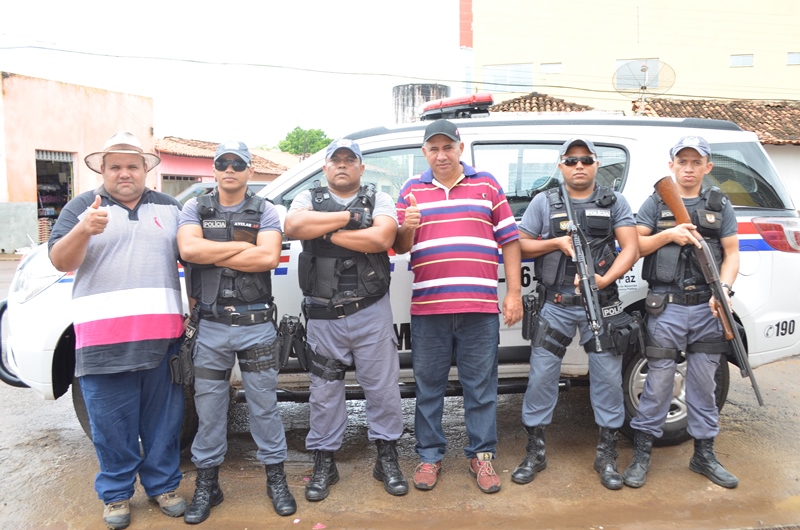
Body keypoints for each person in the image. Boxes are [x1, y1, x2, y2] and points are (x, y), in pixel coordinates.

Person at [48, 131, 187, 530]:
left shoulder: (170, 207)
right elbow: (61, 261)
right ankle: (116, 494)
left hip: (163, 338)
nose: (124, 173)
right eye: (115, 167)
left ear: (146, 170)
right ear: (103, 170)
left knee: (164, 420)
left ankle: (163, 485)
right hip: (102, 340)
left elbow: (190, 258)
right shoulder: (82, 207)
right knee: (111, 424)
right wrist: (83, 229)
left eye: (132, 166)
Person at [394, 119, 523, 494]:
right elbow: (400, 246)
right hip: (429, 310)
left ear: (460, 149)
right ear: (424, 153)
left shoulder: (487, 184)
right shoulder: (411, 190)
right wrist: (408, 226)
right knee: (428, 388)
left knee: (480, 388)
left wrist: (513, 293)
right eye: (433, 148)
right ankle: (430, 456)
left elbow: (510, 240)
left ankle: (482, 457)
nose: (441, 154)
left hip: (479, 309)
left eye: (447, 147)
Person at [177, 141, 296, 523]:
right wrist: (239, 247)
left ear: (248, 170)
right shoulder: (195, 207)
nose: (230, 169)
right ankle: (207, 485)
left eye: (238, 163)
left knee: (265, 408)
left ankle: (276, 478)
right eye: (222, 163)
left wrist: (211, 248)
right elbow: (188, 251)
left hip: (256, 326)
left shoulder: (267, 210)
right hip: (210, 327)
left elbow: (267, 257)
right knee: (210, 412)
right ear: (214, 169)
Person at [283, 138, 408, 501]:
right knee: (324, 393)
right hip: (324, 314)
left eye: (349, 160)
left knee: (382, 390)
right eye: (334, 160)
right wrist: (351, 220)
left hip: (370, 309)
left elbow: (383, 237)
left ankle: (387, 458)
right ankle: (325, 461)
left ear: (360, 167)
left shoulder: (379, 198)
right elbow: (293, 226)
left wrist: (326, 232)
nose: (342, 165)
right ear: (324, 168)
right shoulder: (308, 198)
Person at [514, 138, 639, 490]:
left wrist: (604, 279)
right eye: (571, 160)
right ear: (561, 166)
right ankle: (535, 452)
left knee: (608, 380)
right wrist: (555, 243)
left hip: (600, 304)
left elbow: (631, 247)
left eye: (586, 159)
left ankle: (607, 454)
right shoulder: (545, 201)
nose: (579, 166)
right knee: (540, 377)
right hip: (555, 304)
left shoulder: (614, 201)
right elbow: (521, 243)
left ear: (596, 164)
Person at [623, 136, 740, 489]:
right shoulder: (656, 201)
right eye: (682, 161)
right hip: (667, 306)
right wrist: (670, 234)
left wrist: (726, 291)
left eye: (696, 162)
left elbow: (732, 252)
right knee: (658, 382)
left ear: (708, 167)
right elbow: (635, 246)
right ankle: (642, 453)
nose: (688, 168)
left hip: (708, 306)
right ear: (671, 164)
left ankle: (704, 454)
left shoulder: (720, 204)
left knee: (704, 383)